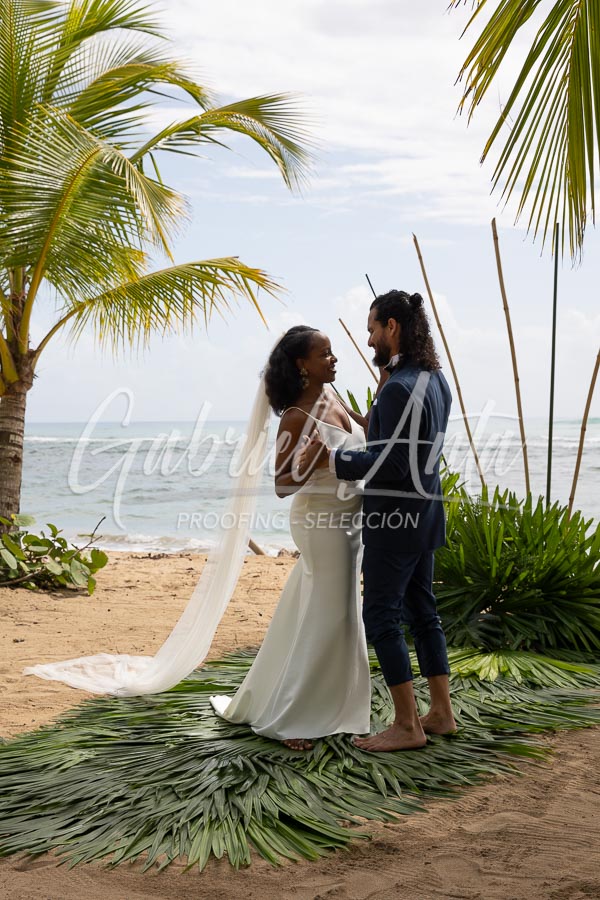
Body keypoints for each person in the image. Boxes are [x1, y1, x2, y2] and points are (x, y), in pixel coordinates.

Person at [298, 291, 456, 752]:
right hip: (426, 514)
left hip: (394, 520)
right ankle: (441, 713)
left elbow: (391, 463)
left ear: (392, 327)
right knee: (424, 613)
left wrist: (331, 458)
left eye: (371, 329)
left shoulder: (398, 387)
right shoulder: (435, 380)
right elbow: (409, 445)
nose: (368, 340)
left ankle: (407, 725)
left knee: (381, 616)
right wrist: (359, 418)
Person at [210, 325, 372, 750]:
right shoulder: (296, 416)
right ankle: (290, 718)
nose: (333, 359)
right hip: (321, 521)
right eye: (324, 354)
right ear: (302, 364)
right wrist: (311, 462)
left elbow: (363, 437)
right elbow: (283, 485)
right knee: (332, 612)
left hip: (350, 520)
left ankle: (336, 705)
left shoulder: (334, 397)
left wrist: (376, 415)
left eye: (333, 352)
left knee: (330, 609)